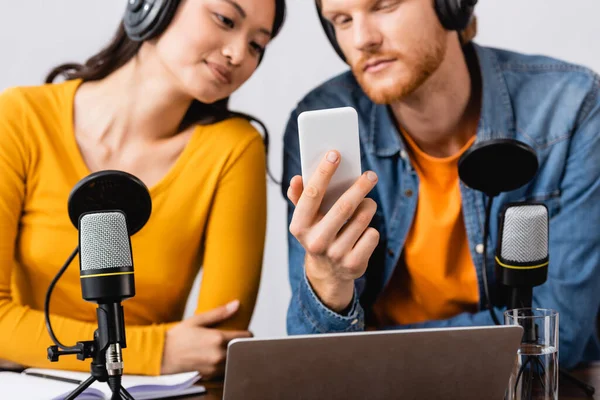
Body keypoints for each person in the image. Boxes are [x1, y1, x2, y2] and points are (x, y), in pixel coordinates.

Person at [282, 0, 600, 369]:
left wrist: (366, 350)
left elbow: (554, 338)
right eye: (341, 20)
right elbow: (316, 361)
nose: (361, 38)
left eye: (383, 6)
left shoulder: (569, 106)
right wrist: (327, 282)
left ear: (450, 6)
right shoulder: (320, 122)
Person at [0, 0, 286, 377]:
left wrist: (29, 341)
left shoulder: (234, 150)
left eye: (256, 45)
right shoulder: (21, 118)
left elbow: (213, 348)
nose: (237, 54)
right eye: (225, 19)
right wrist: (156, 351)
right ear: (153, 6)